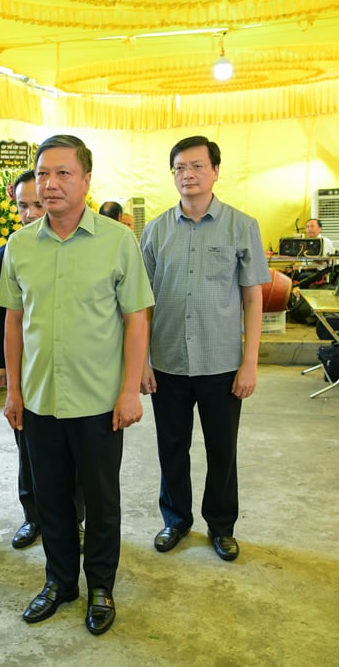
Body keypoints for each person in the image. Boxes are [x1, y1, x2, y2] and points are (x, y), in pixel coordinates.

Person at [0, 135, 153, 636]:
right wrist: (14, 392)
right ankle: (60, 581)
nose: (51, 183)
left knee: (102, 500)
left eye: (64, 173)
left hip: (98, 400)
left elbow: (136, 319)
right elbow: (13, 323)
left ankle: (101, 586)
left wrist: (130, 390)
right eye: (44, 173)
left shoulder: (117, 240)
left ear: (87, 180)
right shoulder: (19, 247)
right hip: (41, 399)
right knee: (51, 499)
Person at [139, 135, 269, 564]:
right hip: (169, 361)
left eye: (196, 166)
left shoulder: (240, 225)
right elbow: (142, 303)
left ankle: (221, 525)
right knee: (171, 447)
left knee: (221, 450)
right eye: (179, 168)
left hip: (221, 364)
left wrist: (249, 363)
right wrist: (142, 361)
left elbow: (253, 297)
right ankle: (175, 519)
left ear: (215, 170)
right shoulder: (156, 230)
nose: (187, 175)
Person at [0, 170, 85, 550]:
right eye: (23, 206)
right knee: (28, 450)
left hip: (68, 368)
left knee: (74, 455)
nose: (30, 213)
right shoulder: (11, 250)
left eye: (37, 204)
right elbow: (2, 314)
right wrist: (0, 363)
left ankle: (72, 518)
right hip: (25, 372)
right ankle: (34, 516)